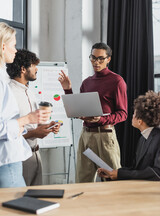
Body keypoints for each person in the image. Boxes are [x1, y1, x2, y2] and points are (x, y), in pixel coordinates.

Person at [58, 42, 128, 182]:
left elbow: (123, 114)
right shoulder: (87, 82)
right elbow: (78, 109)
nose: (96, 62)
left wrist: (100, 120)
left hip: (105, 137)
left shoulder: (117, 81)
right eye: (93, 57)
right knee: (82, 180)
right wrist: (68, 89)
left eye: (101, 58)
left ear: (108, 59)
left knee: (113, 180)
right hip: (86, 136)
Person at [0, 22, 50, 188]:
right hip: (9, 159)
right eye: (13, 45)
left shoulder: (24, 89)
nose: (15, 50)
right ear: (2, 46)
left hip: (21, 153)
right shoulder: (5, 85)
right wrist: (26, 120)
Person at [6, 49, 61, 186]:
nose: (37, 69)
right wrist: (34, 133)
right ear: (23, 69)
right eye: (34, 65)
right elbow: (6, 132)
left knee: (36, 198)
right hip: (19, 158)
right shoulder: (9, 94)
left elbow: (33, 124)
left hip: (36, 154)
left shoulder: (29, 92)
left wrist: (47, 127)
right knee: (20, 200)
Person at [97, 91, 160, 181]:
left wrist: (118, 174)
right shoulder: (143, 138)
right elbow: (136, 169)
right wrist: (113, 172)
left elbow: (157, 173)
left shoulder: (158, 138)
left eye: (134, 114)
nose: (132, 116)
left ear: (140, 121)